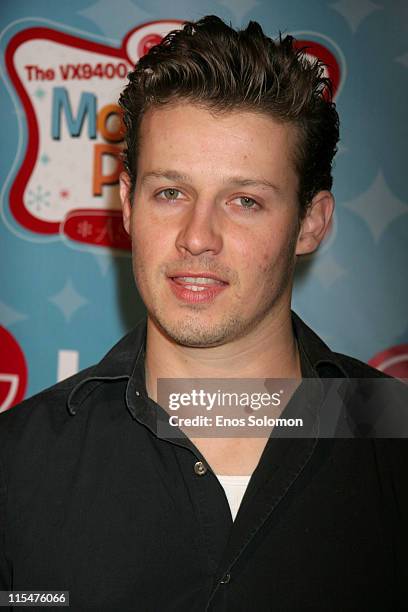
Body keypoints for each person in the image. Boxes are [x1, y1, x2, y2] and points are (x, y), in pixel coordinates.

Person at [0, 15, 407, 612]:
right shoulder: (17, 464)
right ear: (130, 205)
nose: (197, 237)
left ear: (312, 222)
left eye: (244, 201)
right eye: (171, 192)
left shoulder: (395, 444)